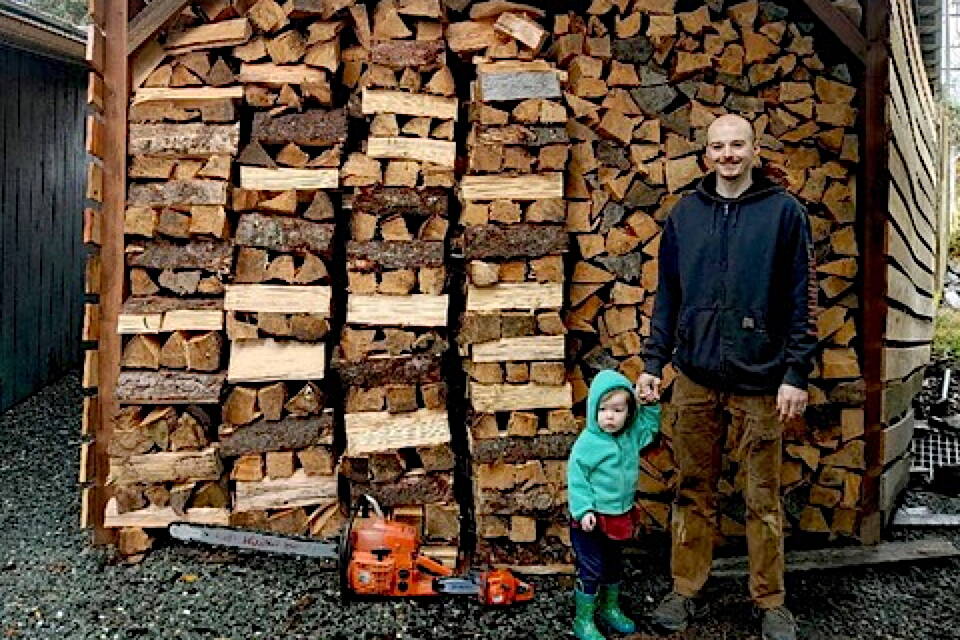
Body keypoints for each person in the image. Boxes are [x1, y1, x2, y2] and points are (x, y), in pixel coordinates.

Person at [637, 114, 816, 640]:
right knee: (693, 489)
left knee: (762, 495)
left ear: (754, 150)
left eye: (738, 145)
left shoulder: (783, 213)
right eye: (719, 146)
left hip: (762, 380)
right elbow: (668, 294)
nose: (728, 155)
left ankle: (770, 600)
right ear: (706, 154)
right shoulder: (685, 214)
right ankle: (685, 589)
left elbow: (802, 299)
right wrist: (653, 362)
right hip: (695, 375)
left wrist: (795, 372)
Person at [567, 369, 661, 640]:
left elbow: (649, 429)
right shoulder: (588, 443)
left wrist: (651, 406)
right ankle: (583, 619)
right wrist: (583, 509)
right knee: (591, 566)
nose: (610, 416)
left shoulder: (630, 436)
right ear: (593, 409)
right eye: (604, 409)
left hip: (619, 514)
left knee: (614, 563)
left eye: (618, 410)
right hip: (592, 519)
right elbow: (577, 476)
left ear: (629, 413)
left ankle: (610, 607)